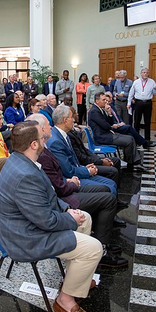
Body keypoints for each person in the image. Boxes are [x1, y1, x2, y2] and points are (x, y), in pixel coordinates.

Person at [0, 121, 103, 312]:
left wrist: (66, 210)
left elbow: (50, 197)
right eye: (43, 136)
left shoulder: (22, 160)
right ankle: (65, 300)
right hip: (26, 239)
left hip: (30, 226)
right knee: (93, 248)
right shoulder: (25, 174)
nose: (47, 138)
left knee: (85, 218)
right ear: (34, 144)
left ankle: (76, 279)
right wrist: (69, 219)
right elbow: (45, 221)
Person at [27, 114, 127, 268]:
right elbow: (57, 187)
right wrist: (72, 183)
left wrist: (69, 180)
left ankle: (100, 242)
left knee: (105, 191)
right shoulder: (42, 152)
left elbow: (55, 178)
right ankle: (101, 249)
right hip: (62, 199)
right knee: (107, 198)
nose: (51, 127)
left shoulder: (44, 148)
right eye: (48, 125)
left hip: (63, 189)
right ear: (40, 130)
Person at [48, 105, 118, 195]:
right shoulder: (56, 142)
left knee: (112, 183)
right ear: (65, 120)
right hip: (72, 178)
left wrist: (85, 168)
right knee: (109, 188)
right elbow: (68, 171)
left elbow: (74, 160)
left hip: (78, 170)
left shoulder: (63, 135)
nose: (73, 120)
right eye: (71, 117)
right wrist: (87, 171)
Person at [88, 92, 143, 169]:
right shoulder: (94, 111)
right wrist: (112, 126)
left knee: (130, 137)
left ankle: (133, 162)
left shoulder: (100, 109)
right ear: (97, 101)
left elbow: (108, 123)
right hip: (103, 137)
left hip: (107, 134)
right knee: (129, 140)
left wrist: (109, 113)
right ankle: (132, 163)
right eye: (103, 100)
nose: (106, 101)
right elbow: (105, 125)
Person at [128, 67, 156, 142]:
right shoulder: (136, 82)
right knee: (137, 121)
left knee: (147, 121)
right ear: (141, 74)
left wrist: (155, 89)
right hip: (138, 102)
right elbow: (131, 93)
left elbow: (155, 93)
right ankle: (136, 137)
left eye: (147, 72)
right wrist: (129, 103)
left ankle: (147, 138)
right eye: (144, 72)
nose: (145, 74)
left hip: (148, 102)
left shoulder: (152, 81)